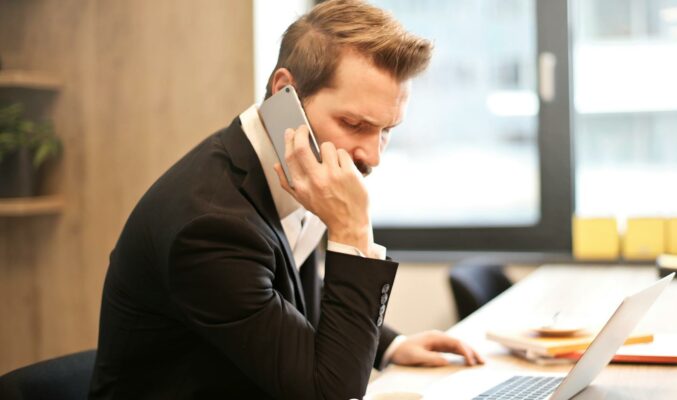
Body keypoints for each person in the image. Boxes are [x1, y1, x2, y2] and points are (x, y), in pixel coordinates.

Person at [89, 1, 483, 399]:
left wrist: (390, 346)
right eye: (353, 124)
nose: (372, 156)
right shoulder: (210, 226)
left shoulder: (292, 169)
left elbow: (290, 298)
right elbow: (330, 393)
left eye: (386, 130)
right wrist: (353, 231)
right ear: (285, 93)